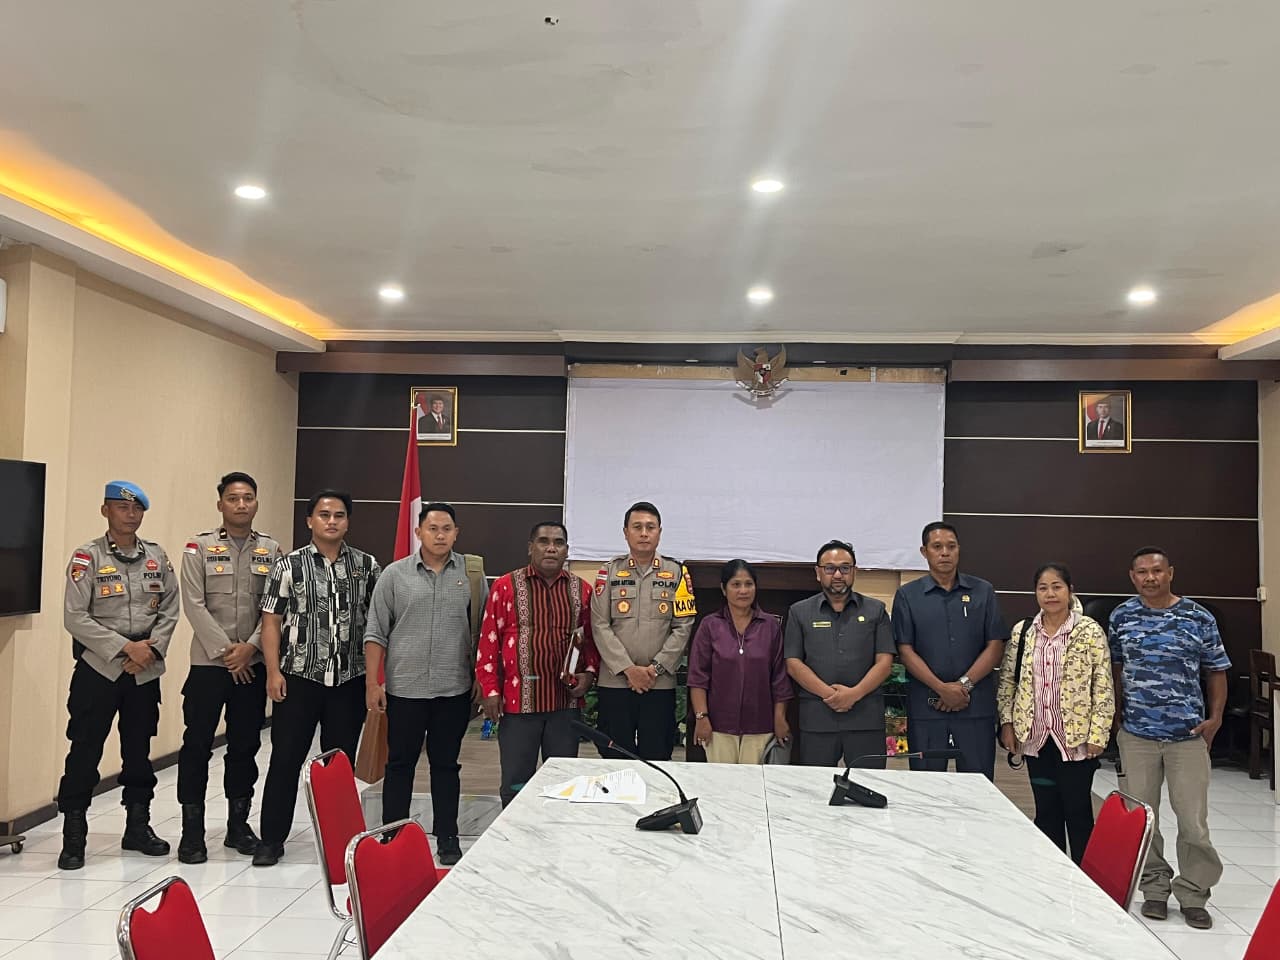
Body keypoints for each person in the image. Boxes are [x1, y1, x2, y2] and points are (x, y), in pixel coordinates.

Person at [253, 490, 380, 866]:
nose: (332, 521)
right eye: (324, 514)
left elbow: (377, 624)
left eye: (339, 515)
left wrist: (375, 679)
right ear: (309, 520)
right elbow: (271, 622)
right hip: (299, 679)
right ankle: (271, 840)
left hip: (348, 681)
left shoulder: (367, 566)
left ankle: (340, 842)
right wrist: (272, 671)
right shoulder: (287, 565)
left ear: (348, 522)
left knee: (338, 766)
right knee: (285, 760)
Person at [57, 481, 179, 870]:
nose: (130, 514)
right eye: (122, 507)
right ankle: (74, 834)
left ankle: (137, 827)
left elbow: (170, 608)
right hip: (99, 670)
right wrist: (126, 648)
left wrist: (150, 651)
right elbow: (75, 617)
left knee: (139, 752)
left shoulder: (157, 557)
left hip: (144, 671)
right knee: (84, 751)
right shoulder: (87, 557)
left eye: (136, 509)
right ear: (105, 511)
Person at [1109, 546, 1229, 930]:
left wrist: (1215, 718)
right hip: (1136, 735)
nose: (1150, 578)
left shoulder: (1198, 617)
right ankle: (1154, 890)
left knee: (1193, 822)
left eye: (1157, 571)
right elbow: (1114, 669)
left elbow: (1216, 670)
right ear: (1133, 576)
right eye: (1142, 572)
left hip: (1187, 736)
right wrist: (1115, 715)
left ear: (1170, 573)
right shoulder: (1121, 617)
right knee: (1144, 821)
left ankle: (1193, 893)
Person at [364, 502, 485, 865]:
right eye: (432, 529)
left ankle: (447, 837)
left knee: (446, 766)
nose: (440, 535)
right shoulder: (394, 575)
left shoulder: (472, 575)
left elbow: (484, 631)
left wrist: (482, 678)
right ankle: (393, 834)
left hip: (454, 689)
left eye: (447, 529)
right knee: (399, 765)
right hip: (405, 690)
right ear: (418, 532)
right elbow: (375, 631)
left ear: (456, 533)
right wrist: (373, 683)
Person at [175, 472, 283, 864]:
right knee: (196, 746)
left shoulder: (271, 550)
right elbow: (193, 604)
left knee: (244, 746)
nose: (241, 504)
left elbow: (274, 606)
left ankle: (238, 826)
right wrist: (226, 652)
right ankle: (192, 833)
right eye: (233, 498)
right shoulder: (199, 547)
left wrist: (250, 648)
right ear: (220, 504)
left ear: (256, 503)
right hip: (208, 665)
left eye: (248, 498)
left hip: (251, 665)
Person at [997, 563, 1114, 864]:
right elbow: (1008, 681)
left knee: (1078, 811)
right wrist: (1007, 723)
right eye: (1043, 588)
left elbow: (1103, 685)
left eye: (1057, 587)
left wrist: (1098, 734)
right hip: (1036, 738)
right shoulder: (1023, 632)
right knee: (1046, 812)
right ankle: (1052, 874)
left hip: (1075, 739)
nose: (1050, 594)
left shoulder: (1089, 631)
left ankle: (1085, 877)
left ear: (1070, 590)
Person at [477, 522, 598, 805]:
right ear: (531, 547)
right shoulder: (505, 586)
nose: (551, 548)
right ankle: (515, 833)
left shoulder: (582, 590)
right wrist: (490, 690)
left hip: (564, 706)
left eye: (559, 543)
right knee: (516, 784)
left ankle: (556, 833)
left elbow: (591, 641)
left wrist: (589, 674)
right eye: (544, 541)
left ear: (567, 550)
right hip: (519, 705)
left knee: (564, 785)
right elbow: (488, 640)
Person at [892, 522, 1008, 780]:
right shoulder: (907, 596)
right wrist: (942, 689)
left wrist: (963, 686)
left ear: (959, 550)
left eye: (951, 546)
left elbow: (995, 645)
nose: (945, 552)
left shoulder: (983, 591)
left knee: (978, 785)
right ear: (924, 552)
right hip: (927, 707)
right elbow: (905, 650)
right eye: (937, 547)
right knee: (927, 785)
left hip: (975, 706)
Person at [590, 502, 696, 761]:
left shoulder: (677, 573)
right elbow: (599, 624)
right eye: (637, 527)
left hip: (658, 683)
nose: (644, 533)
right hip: (615, 682)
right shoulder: (609, 571)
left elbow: (683, 626)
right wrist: (629, 669)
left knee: (657, 755)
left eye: (650, 527)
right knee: (615, 756)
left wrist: (653, 670)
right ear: (625, 532)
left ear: (660, 532)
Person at [784, 542, 894, 767]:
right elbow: (793, 663)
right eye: (829, 568)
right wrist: (830, 695)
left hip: (865, 719)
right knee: (816, 785)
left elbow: (885, 663)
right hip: (818, 719)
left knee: (868, 783)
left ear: (854, 571)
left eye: (845, 568)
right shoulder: (799, 612)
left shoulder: (876, 610)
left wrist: (853, 694)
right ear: (818, 572)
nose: (837, 575)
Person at [688, 559, 791, 764]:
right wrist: (701, 717)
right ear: (723, 589)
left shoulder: (770, 625)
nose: (743, 590)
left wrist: (780, 718)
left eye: (748, 584)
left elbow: (779, 677)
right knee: (721, 782)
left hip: (760, 724)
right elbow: (698, 677)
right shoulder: (710, 625)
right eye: (736, 584)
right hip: (718, 725)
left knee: (756, 782)